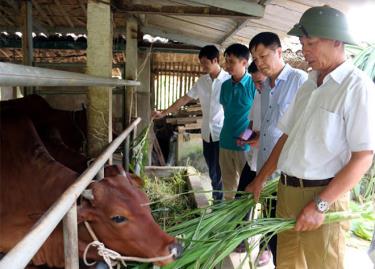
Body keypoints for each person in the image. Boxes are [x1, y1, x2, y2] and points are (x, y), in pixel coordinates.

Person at [246, 6, 375, 269]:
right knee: (287, 264)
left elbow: (363, 157)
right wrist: (260, 179)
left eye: (312, 43)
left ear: (337, 42)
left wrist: (320, 205)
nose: (305, 50)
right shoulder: (309, 83)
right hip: (287, 190)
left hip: (323, 195)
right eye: (303, 43)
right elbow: (286, 137)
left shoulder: (356, 86)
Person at [245, 31, 308, 266]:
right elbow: (270, 129)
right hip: (267, 173)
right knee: (271, 231)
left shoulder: (299, 81)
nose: (259, 63)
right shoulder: (266, 88)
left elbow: (293, 134)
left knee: (285, 240)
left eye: (263, 56)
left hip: (286, 176)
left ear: (279, 52)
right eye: (256, 58)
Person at [152, 45, 230, 201]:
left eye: (204, 63)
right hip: (207, 134)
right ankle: (218, 200)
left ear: (215, 60)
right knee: (213, 170)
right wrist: (164, 113)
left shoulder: (229, 81)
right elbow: (184, 99)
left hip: (223, 134)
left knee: (220, 172)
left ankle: (219, 202)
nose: (202, 67)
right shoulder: (202, 81)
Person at [219, 43, 256, 200]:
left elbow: (257, 118)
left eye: (231, 62)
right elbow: (227, 113)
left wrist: (247, 135)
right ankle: (230, 221)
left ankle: (244, 223)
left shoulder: (253, 84)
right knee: (228, 187)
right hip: (225, 141)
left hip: (245, 145)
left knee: (245, 189)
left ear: (244, 63)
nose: (227, 66)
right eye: (226, 61)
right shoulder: (225, 85)